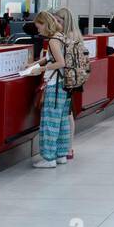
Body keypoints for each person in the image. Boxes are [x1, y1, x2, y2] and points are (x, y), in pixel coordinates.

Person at [31, 10, 71, 169]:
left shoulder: (53, 40)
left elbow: (60, 62)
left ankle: (49, 158)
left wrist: (40, 70)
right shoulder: (60, 36)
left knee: (49, 122)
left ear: (45, 24)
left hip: (55, 85)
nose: (38, 30)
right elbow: (50, 57)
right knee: (61, 122)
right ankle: (60, 155)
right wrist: (35, 64)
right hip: (64, 85)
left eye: (39, 26)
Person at [54, 7, 85, 160]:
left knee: (67, 114)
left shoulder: (66, 37)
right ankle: (68, 147)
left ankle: (68, 148)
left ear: (65, 22)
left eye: (58, 21)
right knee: (68, 113)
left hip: (67, 78)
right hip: (74, 78)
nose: (56, 24)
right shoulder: (77, 35)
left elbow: (62, 60)